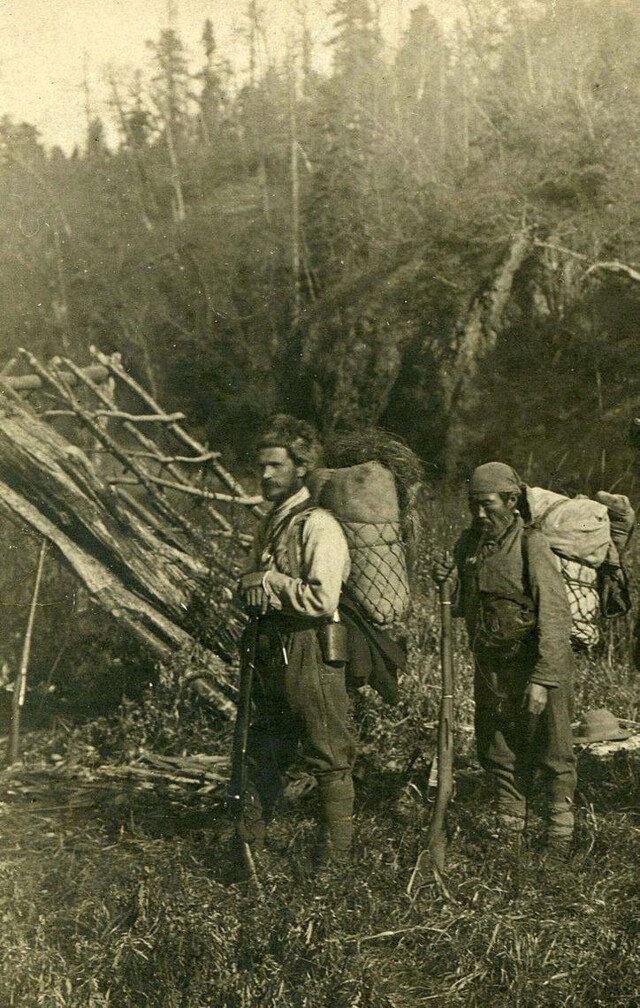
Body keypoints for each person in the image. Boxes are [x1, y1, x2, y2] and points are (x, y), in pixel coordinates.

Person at [433, 462, 577, 856]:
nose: (480, 514)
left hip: (535, 666)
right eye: (472, 505)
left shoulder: (532, 544)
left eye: (488, 504)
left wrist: (544, 680)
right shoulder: (469, 545)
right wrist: (448, 579)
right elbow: (464, 606)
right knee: (498, 749)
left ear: (512, 501)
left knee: (552, 750)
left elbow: (555, 614)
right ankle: (509, 833)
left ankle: (558, 839)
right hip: (492, 668)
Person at [236, 414, 356, 867]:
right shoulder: (272, 524)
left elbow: (323, 598)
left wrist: (271, 582)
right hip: (271, 647)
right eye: (261, 467)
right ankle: (251, 852)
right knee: (265, 748)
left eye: (276, 466)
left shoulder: (318, 525)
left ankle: (336, 861)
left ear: (301, 467)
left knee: (328, 752)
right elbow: (252, 580)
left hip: (312, 647)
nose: (265, 475)